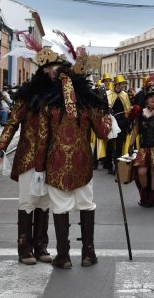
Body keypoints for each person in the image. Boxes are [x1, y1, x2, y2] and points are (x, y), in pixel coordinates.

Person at [33, 39, 114, 268]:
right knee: (86, 204)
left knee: (60, 207)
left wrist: (39, 169)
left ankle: (64, 256)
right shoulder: (88, 106)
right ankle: (89, 253)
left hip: (56, 164)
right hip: (83, 163)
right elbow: (103, 133)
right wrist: (108, 118)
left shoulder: (48, 106)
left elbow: (42, 140)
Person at [0, 40, 62, 266]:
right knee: (27, 201)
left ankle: (41, 245)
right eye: (53, 69)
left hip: (50, 158)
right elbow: (12, 123)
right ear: (45, 71)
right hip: (29, 157)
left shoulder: (59, 99)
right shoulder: (27, 96)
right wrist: (1, 147)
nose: (57, 73)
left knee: (44, 202)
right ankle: (24, 247)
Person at [106, 74, 131, 175]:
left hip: (122, 122)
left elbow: (128, 109)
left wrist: (128, 122)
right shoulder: (108, 94)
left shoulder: (124, 95)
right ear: (117, 84)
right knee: (110, 144)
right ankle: (109, 165)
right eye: (122, 84)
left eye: (124, 84)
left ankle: (118, 165)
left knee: (120, 144)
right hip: (111, 122)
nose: (123, 86)